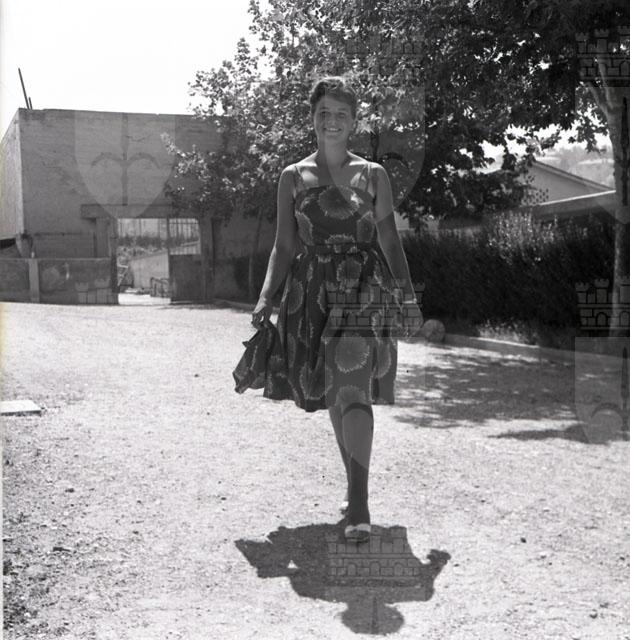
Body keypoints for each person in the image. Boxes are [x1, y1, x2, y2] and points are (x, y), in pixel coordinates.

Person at [250, 75, 423, 542]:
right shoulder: (292, 177)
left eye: (341, 114)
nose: (332, 121)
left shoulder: (373, 175)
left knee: (352, 386)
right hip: (310, 290)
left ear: (354, 121)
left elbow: (390, 240)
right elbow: (284, 245)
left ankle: (360, 506)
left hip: (363, 288)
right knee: (335, 392)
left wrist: (407, 297)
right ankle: (354, 487)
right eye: (323, 112)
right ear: (312, 118)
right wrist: (266, 296)